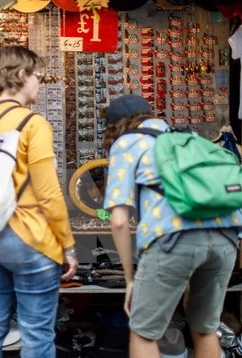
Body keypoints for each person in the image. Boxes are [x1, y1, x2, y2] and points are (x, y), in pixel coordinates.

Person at [0, 46, 78, 358]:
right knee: (36, 334)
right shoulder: (32, 124)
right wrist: (68, 245)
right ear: (21, 75)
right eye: (39, 76)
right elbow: (49, 192)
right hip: (27, 238)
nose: (41, 83)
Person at [103, 94, 242, 358]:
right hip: (226, 236)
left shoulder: (127, 142)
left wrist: (130, 278)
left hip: (172, 239)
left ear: (116, 126)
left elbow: (119, 220)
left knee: (144, 333)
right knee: (205, 329)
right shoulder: (189, 138)